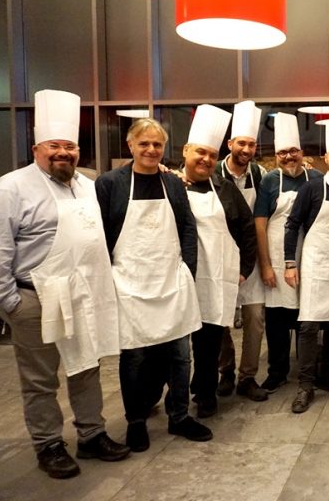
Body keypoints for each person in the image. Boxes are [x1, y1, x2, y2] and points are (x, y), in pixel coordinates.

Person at [0, 90, 130, 479]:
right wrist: (9, 302)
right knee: (39, 379)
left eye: (70, 146)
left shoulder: (86, 184)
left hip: (82, 295)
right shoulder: (11, 188)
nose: (63, 152)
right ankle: (48, 443)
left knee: (86, 367)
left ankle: (92, 433)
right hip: (34, 297)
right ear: (36, 148)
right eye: (55, 145)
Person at [96, 117, 211, 452]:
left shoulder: (172, 183)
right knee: (133, 357)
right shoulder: (110, 183)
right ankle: (135, 421)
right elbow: (100, 235)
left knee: (180, 355)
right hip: (129, 283)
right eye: (143, 143)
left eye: (157, 144)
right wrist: (107, 279)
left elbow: (188, 227)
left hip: (171, 280)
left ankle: (179, 416)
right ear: (130, 146)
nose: (150, 150)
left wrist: (186, 270)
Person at [181, 105, 257, 418]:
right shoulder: (169, 184)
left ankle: (204, 394)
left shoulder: (225, 189)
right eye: (201, 152)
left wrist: (244, 269)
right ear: (186, 151)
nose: (206, 160)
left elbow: (248, 229)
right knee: (171, 346)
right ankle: (164, 397)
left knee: (208, 342)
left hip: (213, 278)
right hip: (179, 277)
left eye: (211, 155)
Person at [284, 118, 329, 414]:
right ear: (326, 159)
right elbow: (292, 225)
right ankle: (305, 385)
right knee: (309, 325)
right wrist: (290, 263)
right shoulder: (311, 189)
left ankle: (327, 376)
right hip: (315, 265)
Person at [254, 113, 322, 394]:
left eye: (293, 151)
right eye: (282, 152)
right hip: (277, 256)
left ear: (301, 153)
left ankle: (309, 370)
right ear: (276, 156)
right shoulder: (270, 181)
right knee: (277, 319)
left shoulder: (316, 177)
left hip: (309, 255)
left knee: (307, 316)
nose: (288, 156)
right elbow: (260, 224)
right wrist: (267, 266)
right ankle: (277, 371)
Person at [215, 101, 269, 402]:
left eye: (251, 144)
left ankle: (247, 376)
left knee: (255, 318)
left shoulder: (260, 175)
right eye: (242, 143)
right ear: (230, 144)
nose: (246, 149)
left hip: (251, 255)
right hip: (221, 256)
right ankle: (225, 371)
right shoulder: (212, 173)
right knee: (221, 317)